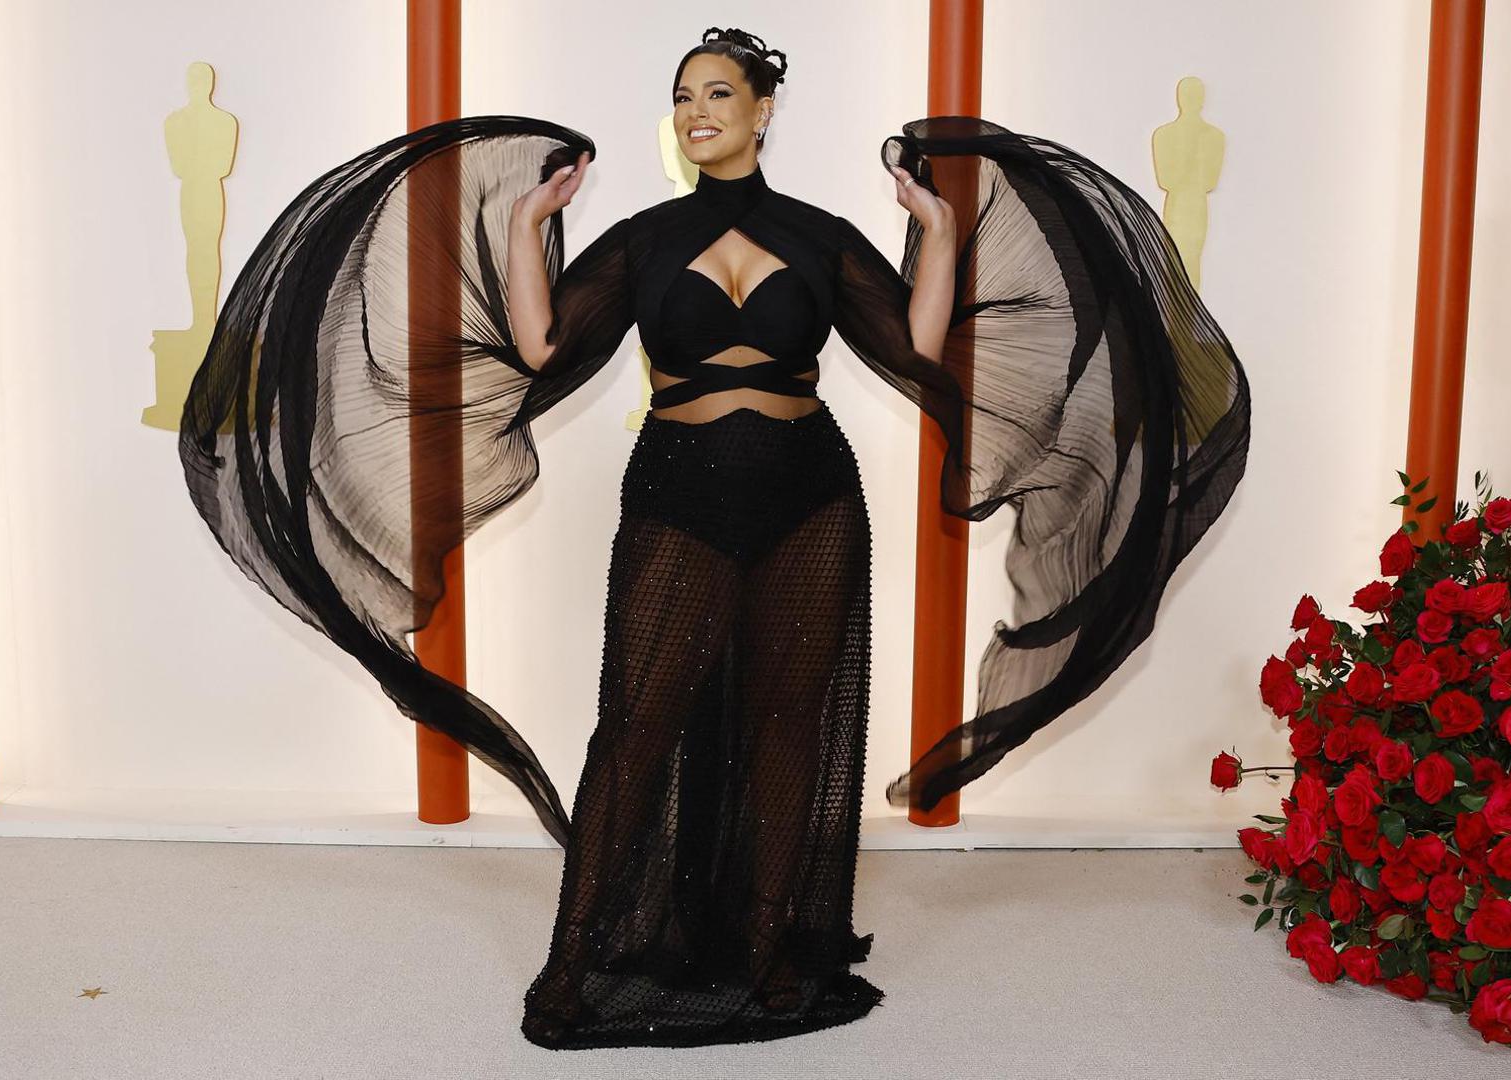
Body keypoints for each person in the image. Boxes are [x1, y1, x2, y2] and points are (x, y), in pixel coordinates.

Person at [178, 26, 1250, 1051]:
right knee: (636, 727)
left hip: (810, 496)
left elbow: (923, 349)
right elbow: (543, 349)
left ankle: (773, 950)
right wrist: (519, 227)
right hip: (678, 495)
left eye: (717, 95)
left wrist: (937, 228)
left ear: (763, 110)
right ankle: (579, 957)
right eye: (682, 98)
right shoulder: (644, 239)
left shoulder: (821, 237)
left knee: (792, 725)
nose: (695, 113)